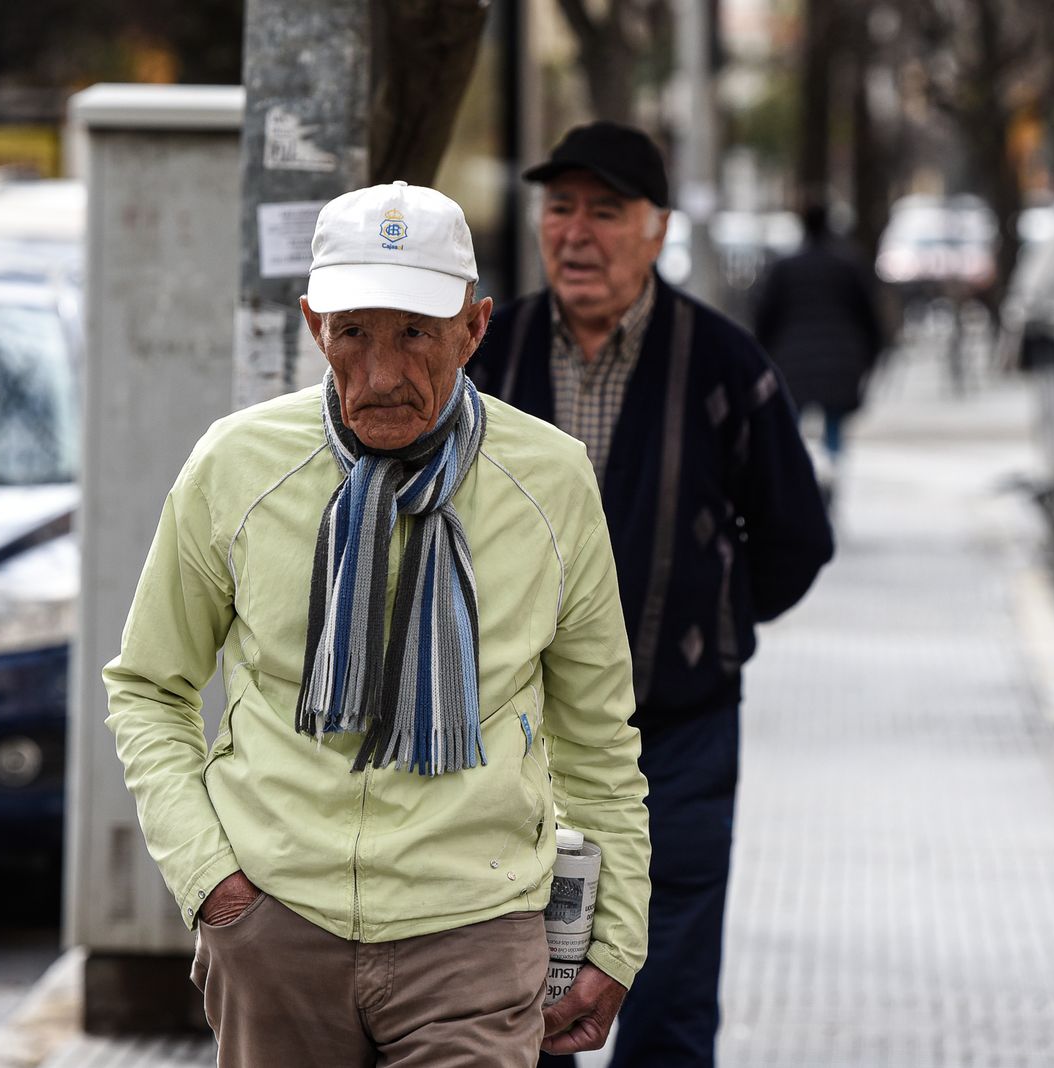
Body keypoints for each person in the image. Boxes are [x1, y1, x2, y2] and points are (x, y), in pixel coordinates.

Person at [104, 180, 651, 1067]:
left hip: (476, 934)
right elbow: (148, 686)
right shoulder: (235, 466)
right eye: (355, 332)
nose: (384, 372)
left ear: (474, 330)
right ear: (315, 324)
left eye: (416, 334)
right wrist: (214, 885)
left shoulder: (552, 482)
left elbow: (598, 736)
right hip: (276, 928)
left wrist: (615, 939)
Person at [469, 122, 834, 1067]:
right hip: (510, 741)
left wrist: (707, 624)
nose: (577, 234)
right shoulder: (487, 355)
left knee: (665, 990)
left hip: (675, 732)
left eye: (606, 211)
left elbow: (796, 536)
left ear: (658, 228)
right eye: (560, 209)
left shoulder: (723, 365)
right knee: (511, 988)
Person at [753, 201, 885, 489]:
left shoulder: (785, 268)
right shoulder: (849, 265)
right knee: (834, 428)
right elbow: (869, 315)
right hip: (841, 362)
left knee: (790, 429)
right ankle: (829, 482)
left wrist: (764, 356)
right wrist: (872, 356)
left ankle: (798, 484)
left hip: (792, 361)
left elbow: (765, 317)